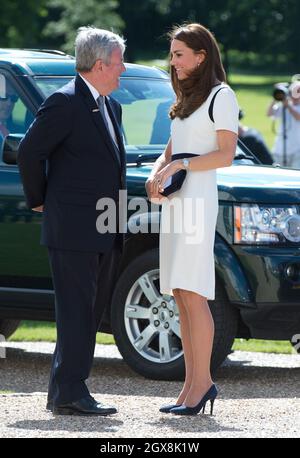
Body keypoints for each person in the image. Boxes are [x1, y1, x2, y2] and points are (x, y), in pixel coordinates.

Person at [17, 27, 126, 416]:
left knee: (88, 314)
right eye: (118, 62)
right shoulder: (64, 102)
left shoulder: (111, 107)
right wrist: (40, 200)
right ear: (99, 65)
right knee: (76, 312)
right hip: (73, 230)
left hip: (104, 228)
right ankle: (71, 392)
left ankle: (63, 391)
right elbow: (28, 152)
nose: (122, 69)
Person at [145, 23, 238, 416]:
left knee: (194, 294)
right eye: (172, 54)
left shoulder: (222, 95)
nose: (173, 62)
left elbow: (225, 154)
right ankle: (190, 387)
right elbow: (173, 147)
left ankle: (202, 385)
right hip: (176, 203)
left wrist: (181, 163)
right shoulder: (185, 96)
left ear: (201, 56)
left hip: (198, 201)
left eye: (179, 54)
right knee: (180, 293)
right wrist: (157, 170)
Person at [267, 83, 300, 168]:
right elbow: (269, 113)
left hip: (297, 150)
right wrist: (276, 96)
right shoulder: (283, 105)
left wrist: (288, 105)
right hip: (280, 148)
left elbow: (298, 117)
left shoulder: (287, 105)